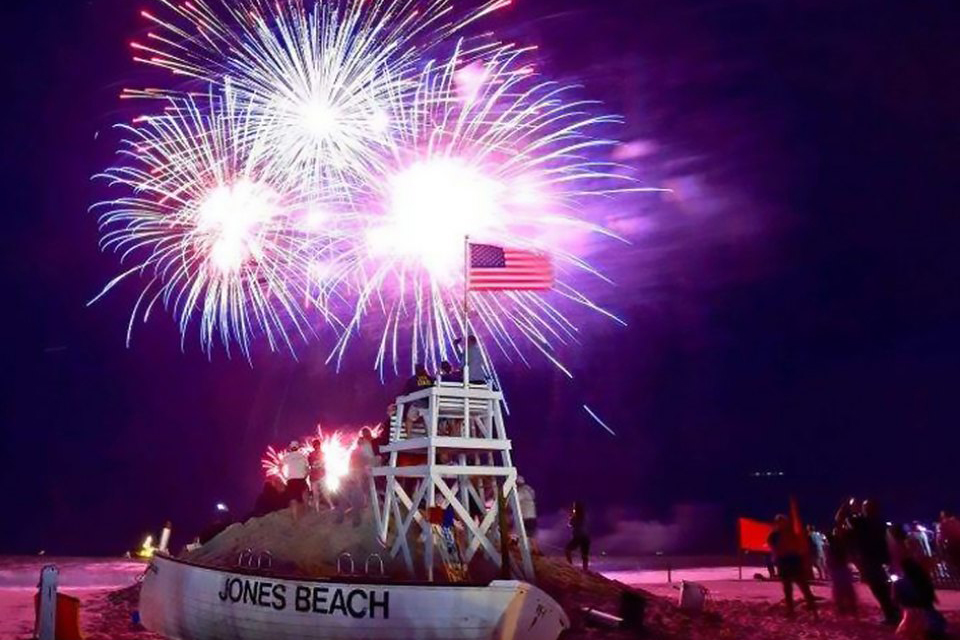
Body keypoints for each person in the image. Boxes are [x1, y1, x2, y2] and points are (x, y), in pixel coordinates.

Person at [850, 499, 900, 624]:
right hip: (882, 559)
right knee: (885, 587)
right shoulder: (880, 523)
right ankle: (894, 612)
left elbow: (842, 518)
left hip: (870, 559)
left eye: (864, 507)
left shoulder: (863, 522)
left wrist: (851, 508)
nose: (863, 509)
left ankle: (890, 615)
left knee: (878, 588)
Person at [767, 514, 817, 616]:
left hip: (788, 562)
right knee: (798, 587)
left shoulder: (777, 535)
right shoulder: (792, 533)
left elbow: (772, 546)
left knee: (794, 587)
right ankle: (807, 609)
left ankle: (797, 610)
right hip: (791, 562)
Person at [826, 529, 858, 616]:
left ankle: (842, 607)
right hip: (842, 568)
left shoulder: (833, 546)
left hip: (838, 568)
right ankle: (851, 607)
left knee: (839, 589)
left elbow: (830, 559)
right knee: (846, 588)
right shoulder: (841, 545)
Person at [402, 364, 435, 438]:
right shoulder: (431, 379)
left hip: (418, 404)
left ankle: (409, 436)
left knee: (409, 418)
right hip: (430, 405)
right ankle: (429, 435)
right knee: (427, 419)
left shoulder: (413, 380)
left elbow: (405, 393)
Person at [281, 440, 310, 520]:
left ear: (290, 448)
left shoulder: (286, 457)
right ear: (298, 447)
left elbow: (280, 467)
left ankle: (295, 518)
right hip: (301, 478)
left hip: (291, 480)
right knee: (305, 493)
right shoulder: (303, 456)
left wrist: (284, 477)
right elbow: (307, 469)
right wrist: (306, 476)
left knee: (293, 499)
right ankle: (307, 510)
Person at [516, 476, 539, 555]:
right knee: (531, 535)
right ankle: (536, 550)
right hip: (532, 516)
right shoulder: (529, 489)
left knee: (525, 535)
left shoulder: (522, 491)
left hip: (526, 517)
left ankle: (527, 552)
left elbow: (515, 499)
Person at [565, 501, 591, 571]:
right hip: (586, 537)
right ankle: (585, 570)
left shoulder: (576, 516)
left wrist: (572, 516)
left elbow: (570, 524)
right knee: (584, 555)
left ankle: (570, 566)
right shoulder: (584, 516)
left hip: (578, 537)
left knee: (567, 550)